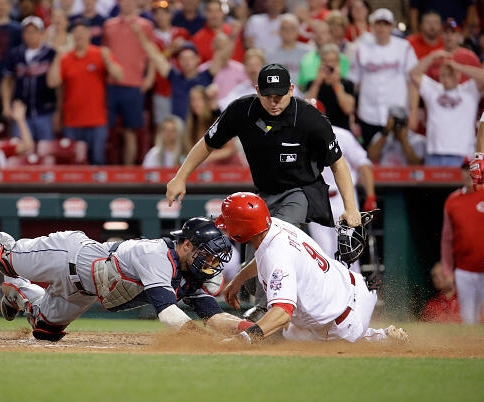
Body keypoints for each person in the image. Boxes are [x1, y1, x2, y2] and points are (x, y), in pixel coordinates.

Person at [166, 63, 361, 321]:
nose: (273, 101)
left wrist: (351, 206)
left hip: (301, 189)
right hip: (264, 192)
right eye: (267, 95)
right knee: (256, 246)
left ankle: (268, 310)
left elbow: (338, 162)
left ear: (292, 89)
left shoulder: (309, 118)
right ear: (257, 90)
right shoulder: (241, 110)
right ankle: (274, 304)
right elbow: (208, 142)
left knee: (274, 237)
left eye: (279, 95)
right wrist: (180, 176)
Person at [0, 217, 250, 341]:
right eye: (205, 253)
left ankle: (18, 293)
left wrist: (255, 331)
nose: (209, 262)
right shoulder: (157, 255)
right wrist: (198, 339)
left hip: (82, 290)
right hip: (68, 255)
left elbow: (215, 316)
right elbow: (167, 312)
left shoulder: (190, 274)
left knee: (45, 331)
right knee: (7, 258)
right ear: (186, 244)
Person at [218, 192, 408, 343]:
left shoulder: (277, 256)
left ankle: (378, 338)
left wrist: (244, 339)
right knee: (291, 331)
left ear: (242, 229)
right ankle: (377, 336)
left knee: (290, 332)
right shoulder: (273, 225)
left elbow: (282, 312)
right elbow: (264, 257)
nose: (225, 227)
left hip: (342, 320)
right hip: (352, 288)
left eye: (229, 223)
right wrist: (239, 279)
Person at [47, 17, 123, 165]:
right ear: (72, 36)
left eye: (82, 31)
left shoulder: (100, 53)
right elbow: (52, 82)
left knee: (98, 160)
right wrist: (57, 56)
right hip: (72, 122)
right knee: (73, 164)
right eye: (76, 32)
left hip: (97, 121)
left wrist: (107, 59)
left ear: (89, 34)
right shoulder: (65, 58)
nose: (79, 35)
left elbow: (119, 76)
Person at [307, 124, 375, 275]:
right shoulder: (300, 134)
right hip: (317, 200)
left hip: (343, 198)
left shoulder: (341, 135)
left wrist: (370, 195)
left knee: (348, 250)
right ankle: (330, 295)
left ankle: (355, 293)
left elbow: (363, 163)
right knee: (322, 251)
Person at [348, 8, 417, 148]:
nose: (381, 28)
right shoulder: (361, 48)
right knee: (370, 157)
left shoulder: (404, 47)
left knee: (397, 159)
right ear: (372, 26)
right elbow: (354, 84)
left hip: (398, 112)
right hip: (368, 114)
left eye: (385, 24)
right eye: (378, 24)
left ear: (391, 26)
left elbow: (413, 82)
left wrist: (414, 112)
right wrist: (351, 115)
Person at [410, 51, 484, 167]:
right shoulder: (433, 89)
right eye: (443, 75)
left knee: (463, 186)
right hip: (434, 154)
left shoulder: (469, 90)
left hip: (463, 155)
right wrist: (432, 56)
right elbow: (413, 74)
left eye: (451, 74)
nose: (447, 78)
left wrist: (458, 66)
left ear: (459, 75)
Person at [103, 0, 155, 165]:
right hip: (111, 85)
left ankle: (128, 170)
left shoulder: (146, 25)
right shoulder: (109, 25)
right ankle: (108, 169)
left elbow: (152, 52)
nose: (127, 3)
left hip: (134, 85)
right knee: (108, 131)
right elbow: (104, 53)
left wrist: (150, 77)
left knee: (130, 131)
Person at [441, 159, 484, 324]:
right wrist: (447, 271)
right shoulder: (452, 201)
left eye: (472, 169)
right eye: (466, 169)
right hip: (464, 270)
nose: (469, 173)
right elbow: (446, 239)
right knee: (468, 319)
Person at [2, 16, 57, 141]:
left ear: (41, 33)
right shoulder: (15, 54)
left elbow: (58, 85)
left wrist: (58, 112)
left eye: (34, 31)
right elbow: (7, 81)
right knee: (21, 151)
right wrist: (6, 105)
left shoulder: (51, 53)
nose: (31, 35)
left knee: (46, 151)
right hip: (21, 112)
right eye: (27, 31)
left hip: (45, 110)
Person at [304, 43, 355, 130]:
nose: (329, 64)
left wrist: (336, 83)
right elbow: (306, 109)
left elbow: (348, 109)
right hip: (317, 131)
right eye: (325, 61)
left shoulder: (347, 84)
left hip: (340, 132)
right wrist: (317, 83)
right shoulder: (312, 84)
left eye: (332, 61)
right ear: (321, 62)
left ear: (338, 63)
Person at [297, 20, 349, 91]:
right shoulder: (306, 58)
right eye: (316, 32)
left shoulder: (341, 59)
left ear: (330, 35)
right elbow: (301, 86)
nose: (319, 35)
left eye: (323, 32)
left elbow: (345, 85)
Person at [266, 14, 310, 85]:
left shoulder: (308, 53)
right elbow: (268, 79)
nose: (288, 31)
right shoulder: (270, 55)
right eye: (284, 28)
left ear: (298, 31)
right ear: (279, 31)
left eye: (292, 28)